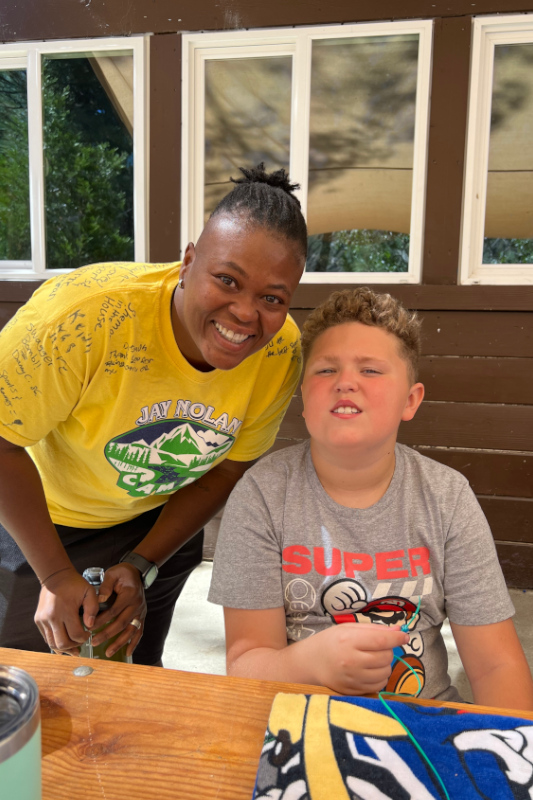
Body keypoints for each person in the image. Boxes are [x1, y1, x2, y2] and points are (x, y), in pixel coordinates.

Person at [0, 163, 307, 667]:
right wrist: (55, 575)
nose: (247, 314)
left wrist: (142, 564)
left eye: (273, 298)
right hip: (36, 516)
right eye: (227, 280)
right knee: (29, 688)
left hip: (153, 525)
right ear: (188, 261)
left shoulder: (279, 354)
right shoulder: (85, 318)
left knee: (135, 683)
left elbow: (229, 466)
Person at [209, 287, 533, 710]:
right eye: (325, 371)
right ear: (303, 399)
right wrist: (313, 662)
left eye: (371, 371)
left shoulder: (447, 498)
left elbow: (496, 667)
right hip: (297, 722)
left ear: (410, 400)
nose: (346, 382)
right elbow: (246, 665)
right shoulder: (262, 495)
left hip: (423, 722)